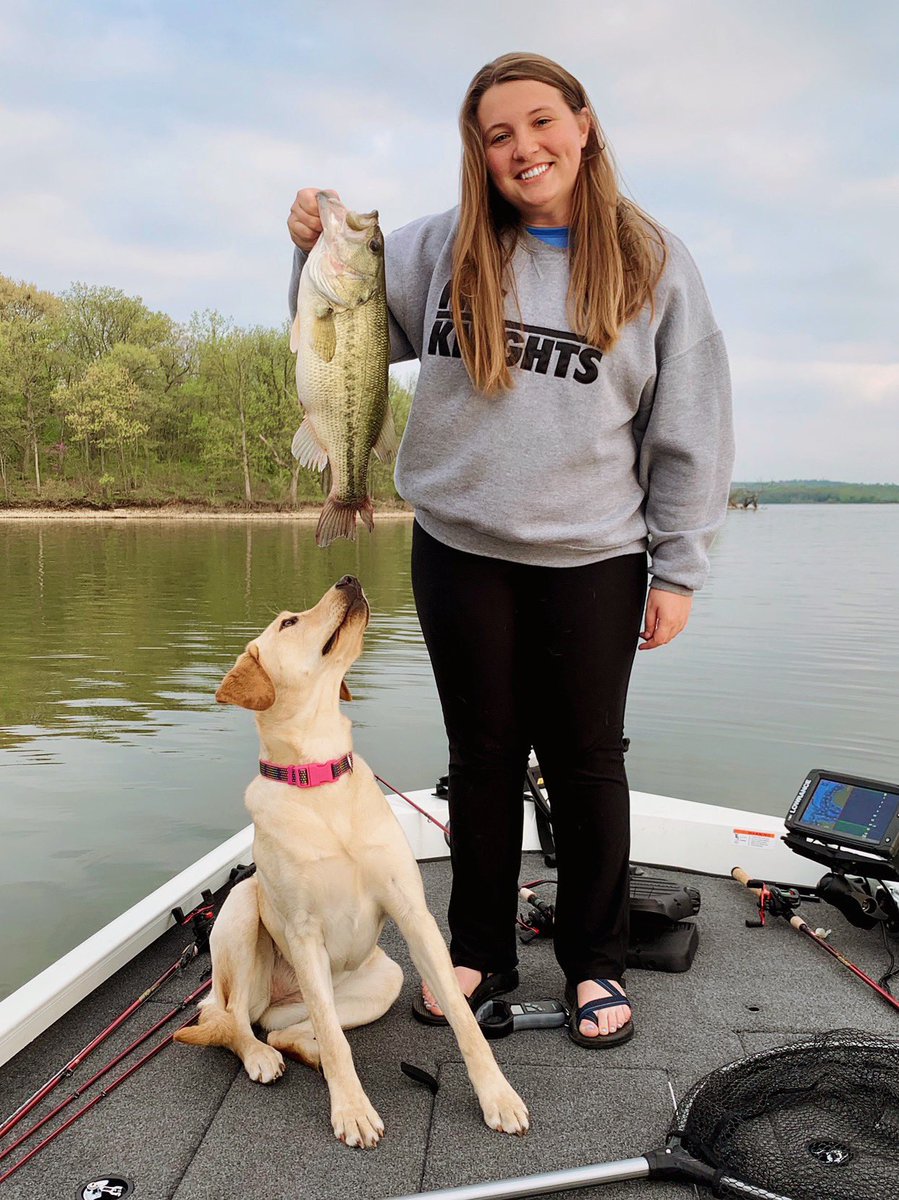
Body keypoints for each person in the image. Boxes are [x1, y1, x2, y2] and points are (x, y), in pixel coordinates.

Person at [286, 52, 734, 1047]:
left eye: (539, 123)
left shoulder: (652, 260)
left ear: (581, 125)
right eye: (497, 134)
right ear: (478, 152)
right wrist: (307, 244)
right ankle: (478, 951)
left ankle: (595, 962)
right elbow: (335, 329)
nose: (522, 147)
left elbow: (689, 426)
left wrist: (679, 568)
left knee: (585, 762)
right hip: (460, 551)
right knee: (480, 758)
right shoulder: (434, 248)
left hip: (594, 558)